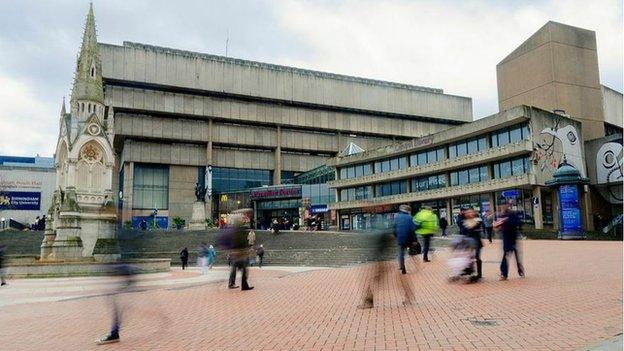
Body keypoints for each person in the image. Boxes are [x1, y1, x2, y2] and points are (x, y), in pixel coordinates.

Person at [96, 264, 136, 344]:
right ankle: (114, 333)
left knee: (117, 310)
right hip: (126, 283)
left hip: (126, 285)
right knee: (117, 310)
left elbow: (124, 269)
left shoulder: (122, 266)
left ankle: (114, 334)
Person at [495, 202, 525, 280]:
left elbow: (519, 223)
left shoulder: (512, 214)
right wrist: (497, 226)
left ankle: (520, 269)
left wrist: (507, 221)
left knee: (516, 255)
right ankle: (504, 274)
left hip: (513, 237)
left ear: (507, 206)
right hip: (506, 238)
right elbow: (498, 227)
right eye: (501, 206)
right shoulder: (501, 215)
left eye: (504, 206)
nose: (503, 207)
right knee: (506, 254)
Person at [224, 214, 254, 291]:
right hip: (238, 253)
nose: (243, 221)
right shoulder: (237, 230)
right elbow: (238, 241)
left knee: (238, 269)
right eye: (241, 220)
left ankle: (235, 284)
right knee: (241, 269)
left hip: (238, 253)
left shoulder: (238, 230)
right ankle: (241, 285)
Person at [461, 208, 483, 283]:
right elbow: (464, 231)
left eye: (470, 212)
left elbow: (473, 228)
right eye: (467, 212)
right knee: (469, 258)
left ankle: (479, 274)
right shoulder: (464, 222)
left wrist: (468, 224)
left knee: (477, 257)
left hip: (477, 242)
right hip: (468, 243)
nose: (469, 214)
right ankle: (470, 272)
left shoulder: (478, 220)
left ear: (473, 213)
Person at [393, 204, 417, 274]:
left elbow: (394, 228)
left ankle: (402, 267)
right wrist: (414, 240)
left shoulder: (397, 217)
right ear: (408, 211)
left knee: (401, 253)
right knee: (411, 249)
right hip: (408, 238)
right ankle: (412, 256)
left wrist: (396, 236)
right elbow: (412, 229)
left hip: (400, 238)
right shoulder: (409, 217)